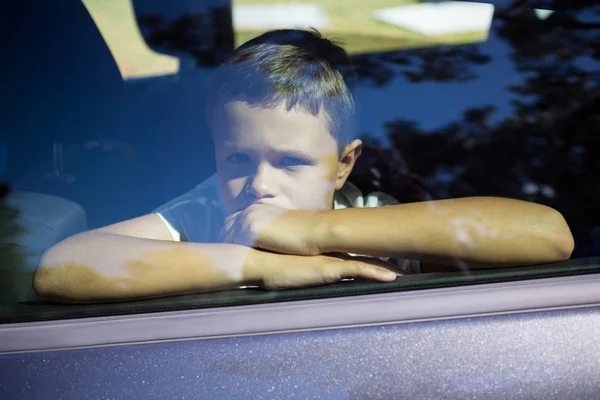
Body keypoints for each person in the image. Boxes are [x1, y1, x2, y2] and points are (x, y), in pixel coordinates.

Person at [33, 29, 574, 303]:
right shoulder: (203, 212)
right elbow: (62, 267)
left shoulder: (371, 220)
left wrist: (316, 231)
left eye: (291, 161)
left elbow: (547, 237)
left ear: (343, 166)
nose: (259, 184)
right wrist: (251, 265)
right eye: (237, 158)